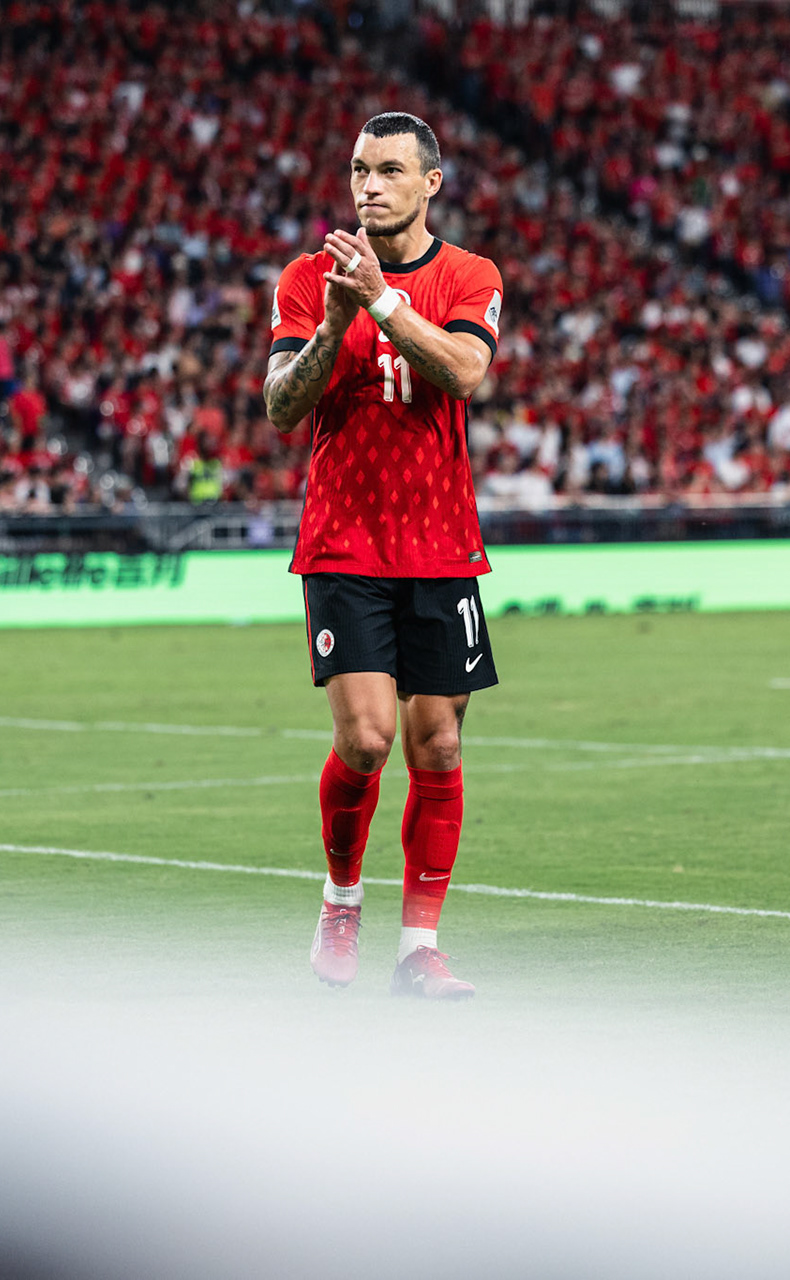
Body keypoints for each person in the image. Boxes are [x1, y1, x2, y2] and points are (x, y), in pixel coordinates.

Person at [261, 112, 504, 1000]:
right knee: (365, 739)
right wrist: (335, 320)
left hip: (442, 543)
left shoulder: (469, 276)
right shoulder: (304, 278)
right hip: (345, 538)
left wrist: (385, 303)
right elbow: (283, 408)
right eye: (360, 169)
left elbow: (465, 372)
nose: (369, 185)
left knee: (436, 745)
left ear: (430, 182)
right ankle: (340, 899)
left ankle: (419, 951)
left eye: (390, 170)